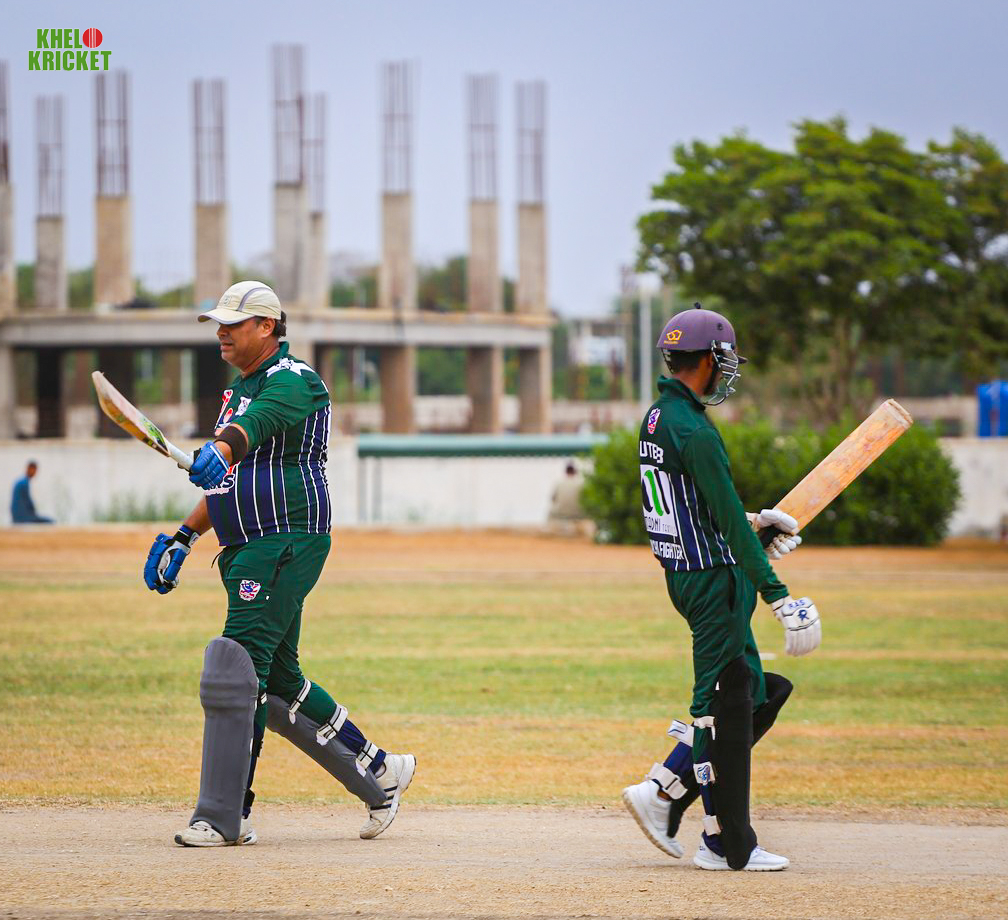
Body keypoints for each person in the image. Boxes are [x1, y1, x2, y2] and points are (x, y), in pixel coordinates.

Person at [144, 280, 416, 847]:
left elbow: (251, 432)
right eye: (218, 324)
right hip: (247, 546)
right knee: (277, 684)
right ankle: (380, 771)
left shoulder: (295, 381)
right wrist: (185, 535)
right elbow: (228, 476)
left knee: (235, 666)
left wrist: (220, 448)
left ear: (267, 326)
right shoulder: (237, 391)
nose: (221, 333)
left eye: (232, 324)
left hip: (285, 539)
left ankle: (225, 816)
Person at [621, 303, 821, 871]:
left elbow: (704, 508)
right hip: (712, 581)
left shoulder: (659, 418)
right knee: (717, 709)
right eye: (725, 358)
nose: (727, 369)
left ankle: (665, 789)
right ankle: (723, 842)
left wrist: (756, 529)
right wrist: (778, 594)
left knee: (754, 695)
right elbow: (727, 519)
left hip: (692, 573)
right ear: (708, 359)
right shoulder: (695, 430)